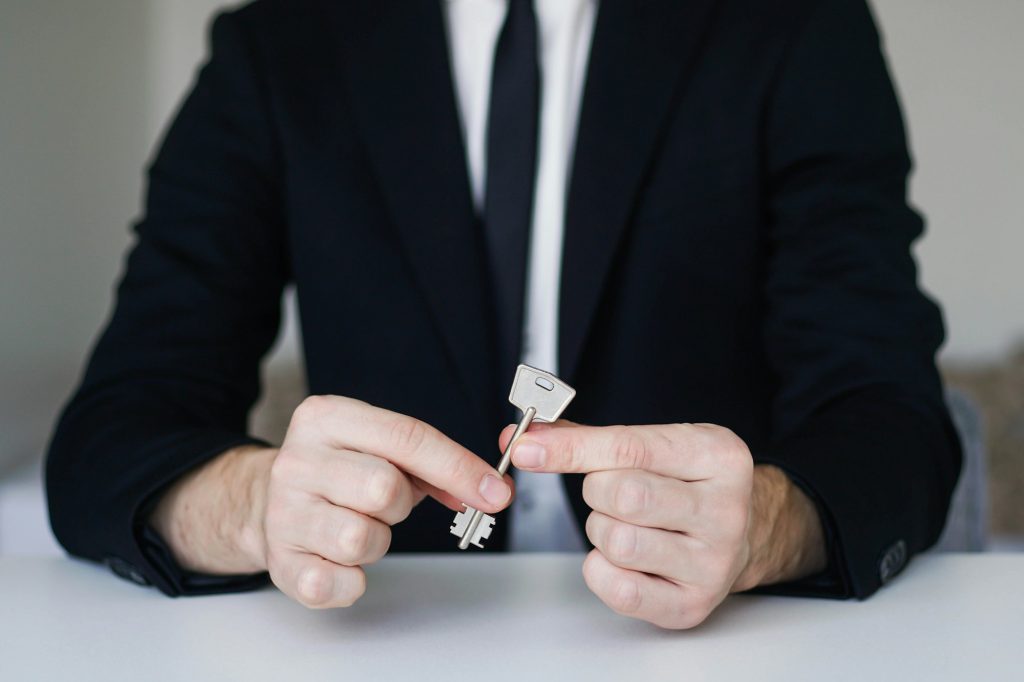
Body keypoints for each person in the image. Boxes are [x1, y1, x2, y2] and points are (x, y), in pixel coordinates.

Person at [46, 0, 961, 629]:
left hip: (709, 646)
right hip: (383, 639)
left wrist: (768, 525)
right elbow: (112, 434)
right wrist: (252, 505)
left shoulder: (795, 25)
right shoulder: (278, 48)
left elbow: (892, 416)